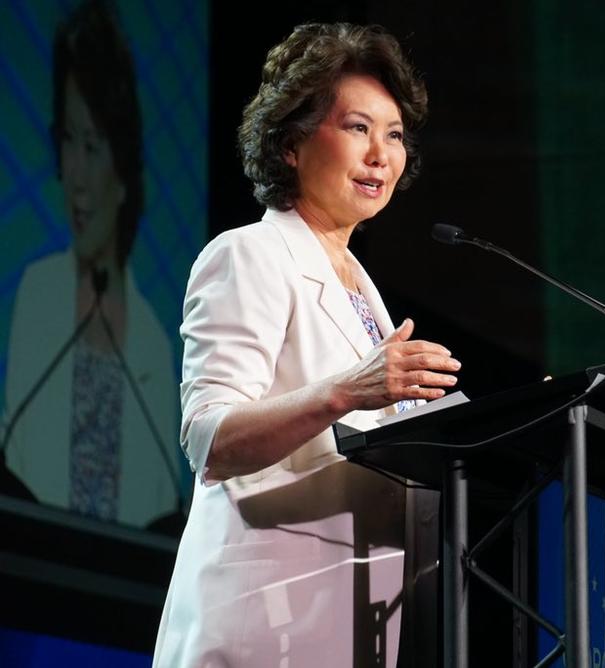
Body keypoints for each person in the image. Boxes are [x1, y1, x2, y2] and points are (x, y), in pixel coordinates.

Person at [152, 23, 459, 666]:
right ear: (290, 143)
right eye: (357, 128)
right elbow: (210, 439)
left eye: (394, 135)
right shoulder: (249, 255)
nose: (380, 153)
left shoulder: (363, 292)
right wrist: (347, 390)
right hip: (260, 621)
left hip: (352, 625)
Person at [2, 0, 179, 527]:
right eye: (68, 142)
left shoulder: (152, 340)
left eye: (94, 146)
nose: (74, 175)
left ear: (123, 172)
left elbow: (163, 506)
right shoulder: (38, 293)